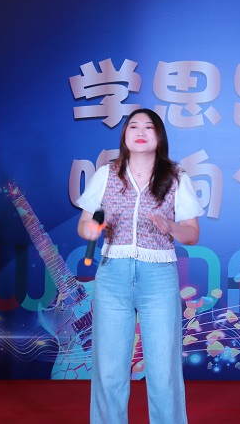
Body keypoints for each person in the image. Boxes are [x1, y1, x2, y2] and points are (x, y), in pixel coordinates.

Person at [76, 108, 204, 424]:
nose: (141, 131)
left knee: (163, 367)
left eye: (149, 126)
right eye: (133, 126)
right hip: (113, 274)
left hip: (158, 276)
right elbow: (84, 224)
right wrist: (92, 229)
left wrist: (170, 227)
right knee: (109, 367)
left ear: (159, 136)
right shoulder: (106, 174)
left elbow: (192, 234)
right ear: (125, 136)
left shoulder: (176, 177)